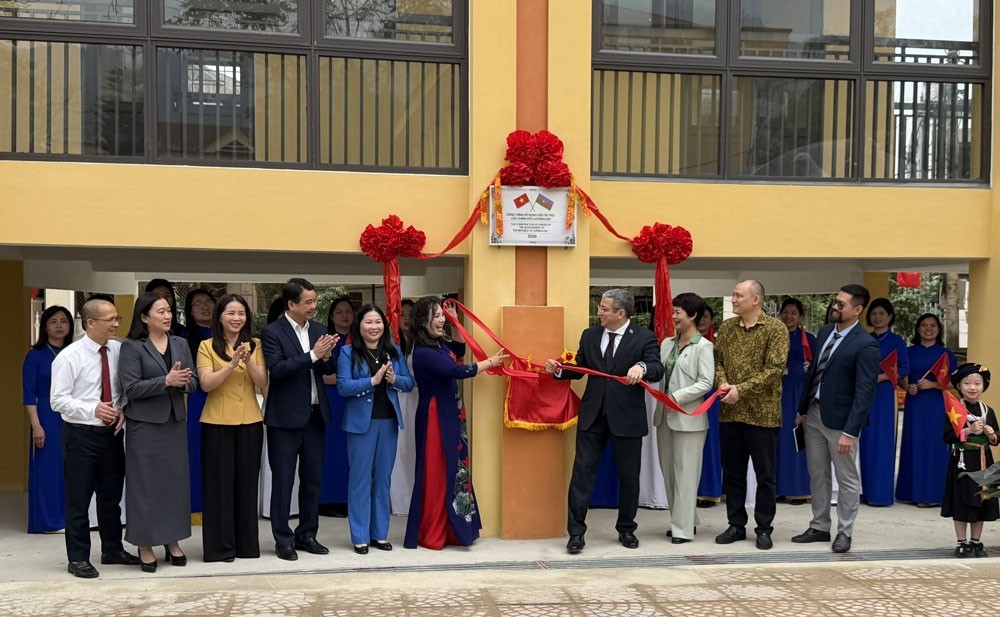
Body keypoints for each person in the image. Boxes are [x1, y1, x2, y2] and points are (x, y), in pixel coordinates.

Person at [545, 289, 664, 554]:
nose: (599, 312)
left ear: (620, 313)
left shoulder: (644, 337)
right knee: (581, 475)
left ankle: (626, 528)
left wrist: (641, 368)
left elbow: (657, 367)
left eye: (604, 308)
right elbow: (580, 366)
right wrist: (560, 370)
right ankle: (576, 533)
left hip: (627, 418)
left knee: (629, 477)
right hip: (592, 416)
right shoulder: (590, 335)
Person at [404, 298, 505, 550]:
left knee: (455, 469)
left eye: (441, 316)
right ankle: (434, 531)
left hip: (451, 412)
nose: (441, 320)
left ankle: (455, 528)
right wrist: (489, 363)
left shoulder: (437, 344)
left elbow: (459, 352)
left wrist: (455, 321)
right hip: (436, 415)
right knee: (437, 470)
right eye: (436, 316)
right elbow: (458, 370)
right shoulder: (424, 351)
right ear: (422, 321)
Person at [50, 298, 139, 578]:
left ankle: (112, 549)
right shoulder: (70, 356)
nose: (115, 324)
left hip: (111, 433)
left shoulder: (119, 350)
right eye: (110, 319)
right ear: (90, 323)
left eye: (117, 319)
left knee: (111, 496)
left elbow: (122, 387)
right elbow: (58, 400)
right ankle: (77, 558)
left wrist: (121, 408)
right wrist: (92, 408)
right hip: (80, 435)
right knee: (78, 498)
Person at [791, 285, 880, 554]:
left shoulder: (866, 344)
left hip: (842, 422)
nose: (835, 306)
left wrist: (850, 432)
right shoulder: (826, 332)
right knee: (817, 474)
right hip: (815, 414)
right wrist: (802, 409)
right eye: (835, 302)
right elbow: (814, 373)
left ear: (857, 310)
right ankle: (819, 526)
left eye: (841, 304)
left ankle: (845, 531)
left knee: (847, 478)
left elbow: (865, 392)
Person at [118, 292, 198, 572]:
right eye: (161, 311)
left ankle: (172, 541)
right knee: (145, 487)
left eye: (169, 311)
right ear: (144, 317)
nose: (167, 316)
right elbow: (130, 389)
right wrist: (165, 380)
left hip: (175, 423)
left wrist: (183, 382)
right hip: (145, 426)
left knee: (173, 485)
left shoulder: (180, 343)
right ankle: (144, 544)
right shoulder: (132, 347)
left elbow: (194, 381)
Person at [262, 278, 339, 561]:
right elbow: (278, 369)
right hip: (284, 419)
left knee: (312, 480)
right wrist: (313, 355)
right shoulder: (272, 332)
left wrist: (327, 356)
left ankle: (307, 533)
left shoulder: (319, 329)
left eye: (315, 301)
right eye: (308, 302)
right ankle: (282, 539)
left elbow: (328, 368)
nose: (314, 306)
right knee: (283, 481)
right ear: (291, 304)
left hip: (316, 415)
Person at [713, 280, 788, 550]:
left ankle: (764, 527)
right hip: (730, 413)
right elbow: (718, 361)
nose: (733, 300)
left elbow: (774, 369)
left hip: (762, 414)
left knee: (765, 474)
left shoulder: (775, 329)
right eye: (733, 295)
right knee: (732, 473)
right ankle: (735, 524)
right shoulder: (727, 327)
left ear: (756, 299)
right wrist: (723, 384)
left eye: (738, 296)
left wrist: (740, 389)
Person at [337, 304, 415, 553]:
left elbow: (409, 382)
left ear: (384, 326)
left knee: (383, 479)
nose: (374, 327)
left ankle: (379, 534)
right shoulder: (348, 352)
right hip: (361, 425)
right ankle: (359, 536)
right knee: (360, 480)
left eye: (378, 322)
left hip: (388, 422)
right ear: (359, 326)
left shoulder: (395, 351)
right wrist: (371, 381)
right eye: (368, 322)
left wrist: (393, 379)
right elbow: (343, 387)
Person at [196, 294, 267, 562]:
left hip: (250, 421)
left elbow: (262, 381)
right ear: (220, 317)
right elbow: (206, 384)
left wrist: (247, 360)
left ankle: (247, 546)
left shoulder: (256, 345)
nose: (237, 318)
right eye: (230, 313)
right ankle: (220, 548)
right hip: (216, 423)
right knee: (219, 487)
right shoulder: (206, 346)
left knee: (247, 486)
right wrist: (232, 363)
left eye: (241, 313)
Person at [653, 293, 714, 544]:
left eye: (678, 312)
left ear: (693, 315)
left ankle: (682, 529)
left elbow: (706, 382)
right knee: (669, 472)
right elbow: (657, 371)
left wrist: (676, 398)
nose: (674, 316)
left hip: (689, 419)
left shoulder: (704, 347)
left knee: (686, 474)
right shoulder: (666, 343)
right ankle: (685, 518)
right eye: (673, 311)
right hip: (664, 418)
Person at [896, 313, 957, 507]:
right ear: (918, 329)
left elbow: (955, 382)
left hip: (937, 406)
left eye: (932, 325)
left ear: (939, 330)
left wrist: (934, 385)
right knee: (914, 445)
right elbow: (899, 375)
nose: (928, 329)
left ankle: (933, 495)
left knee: (934, 447)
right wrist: (908, 387)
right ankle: (910, 492)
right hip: (915, 404)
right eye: (924, 325)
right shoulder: (908, 351)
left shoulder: (945, 354)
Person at [22, 305, 74, 533]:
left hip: (73, 414)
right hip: (46, 416)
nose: (60, 325)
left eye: (64, 321)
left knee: (72, 469)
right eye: (54, 321)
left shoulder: (75, 351)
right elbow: (28, 393)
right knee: (49, 469)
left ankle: (70, 518)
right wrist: (36, 425)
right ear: (44, 326)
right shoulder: (35, 354)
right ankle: (49, 522)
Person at [942, 363, 998, 558]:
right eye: (967, 383)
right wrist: (968, 431)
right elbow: (947, 437)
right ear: (959, 386)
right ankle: (961, 542)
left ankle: (976, 541)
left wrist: (992, 434)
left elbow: (997, 438)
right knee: (962, 501)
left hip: (984, 462)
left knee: (980, 501)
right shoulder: (955, 410)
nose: (972, 387)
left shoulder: (987, 410)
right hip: (963, 462)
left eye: (977, 383)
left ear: (984, 386)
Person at [859, 298, 909, 507]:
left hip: (885, 395)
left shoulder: (897, 341)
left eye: (881, 313)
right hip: (862, 394)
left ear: (889, 316)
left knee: (883, 442)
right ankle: (862, 491)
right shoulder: (862, 338)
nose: (877, 317)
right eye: (874, 313)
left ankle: (880, 494)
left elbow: (904, 368)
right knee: (863, 441)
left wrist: (882, 377)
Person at [776, 297, 815, 505]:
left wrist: (812, 369)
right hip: (775, 394)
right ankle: (777, 488)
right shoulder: (773, 337)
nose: (789, 316)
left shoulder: (809, 339)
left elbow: (821, 367)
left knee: (797, 439)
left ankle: (798, 488)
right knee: (776, 441)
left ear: (800, 317)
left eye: (793, 313)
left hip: (798, 394)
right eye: (786, 312)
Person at [183, 288, 216, 519]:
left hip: (225, 396)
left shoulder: (226, 332)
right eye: (198, 304)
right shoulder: (184, 339)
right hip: (196, 399)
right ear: (189, 311)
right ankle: (195, 506)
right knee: (196, 451)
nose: (205, 306)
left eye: (208, 301)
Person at [320, 297, 354, 519]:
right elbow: (323, 375)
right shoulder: (326, 341)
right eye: (339, 312)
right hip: (332, 401)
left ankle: (348, 499)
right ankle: (326, 501)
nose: (344, 315)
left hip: (354, 401)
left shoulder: (360, 340)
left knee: (351, 453)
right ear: (331, 317)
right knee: (330, 452)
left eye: (348, 311)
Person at [696, 306, 722, 508]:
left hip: (713, 399)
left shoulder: (718, 344)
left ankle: (710, 491)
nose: (702, 320)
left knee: (712, 445)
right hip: (691, 398)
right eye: (699, 316)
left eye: (706, 316)